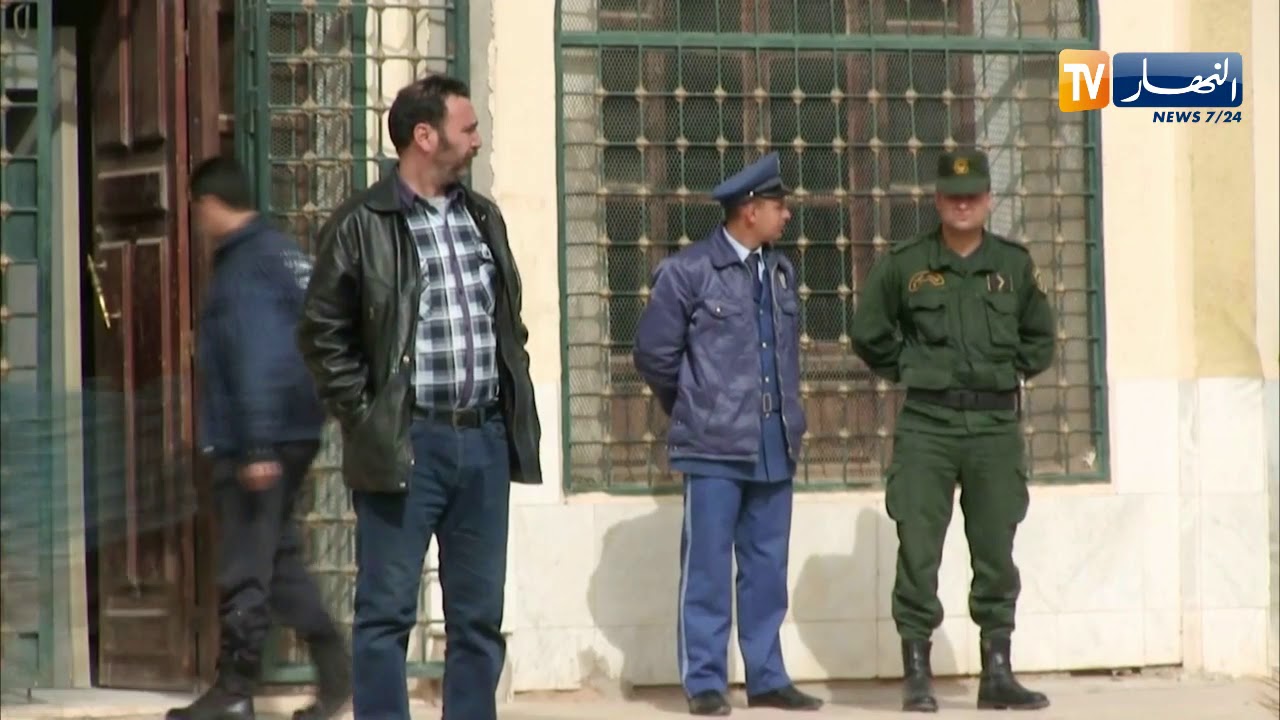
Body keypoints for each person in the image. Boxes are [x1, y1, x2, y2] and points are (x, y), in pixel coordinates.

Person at [295, 75, 541, 720]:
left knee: (478, 617)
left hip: (483, 440)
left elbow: (507, 324)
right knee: (386, 613)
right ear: (424, 136)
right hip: (408, 442)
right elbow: (321, 333)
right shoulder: (362, 224)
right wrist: (366, 415)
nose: (477, 140)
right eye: (468, 128)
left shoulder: (482, 217)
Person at [850, 149, 1056, 712]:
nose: (963, 205)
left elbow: (1040, 338)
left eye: (973, 196)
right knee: (918, 550)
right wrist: (912, 368)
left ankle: (997, 673)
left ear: (988, 199)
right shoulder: (906, 265)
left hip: (994, 426)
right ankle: (917, 674)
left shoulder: (1013, 265)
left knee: (995, 550)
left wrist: (1006, 371)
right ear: (938, 200)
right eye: (952, 196)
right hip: (929, 425)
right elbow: (869, 332)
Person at [633, 152, 824, 716]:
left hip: (773, 442)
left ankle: (767, 676)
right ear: (749, 210)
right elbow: (654, 354)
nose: (786, 216)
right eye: (778, 206)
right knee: (708, 569)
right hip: (713, 445)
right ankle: (705, 683)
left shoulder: (780, 271)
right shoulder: (689, 271)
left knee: (767, 568)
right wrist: (695, 405)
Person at [172, 156, 350, 720]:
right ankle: (336, 670)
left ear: (209, 205)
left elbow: (257, 358)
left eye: (198, 210)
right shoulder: (282, 254)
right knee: (278, 557)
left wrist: (256, 446)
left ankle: (235, 690)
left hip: (259, 438)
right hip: (293, 429)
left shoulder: (245, 267)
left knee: (246, 564)